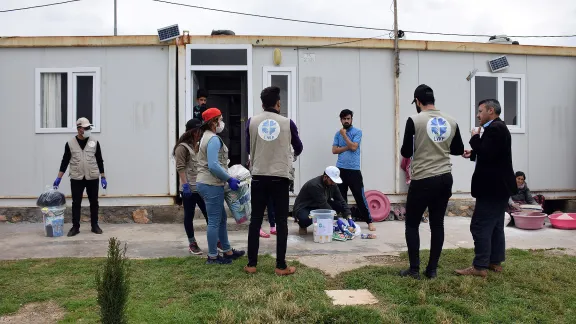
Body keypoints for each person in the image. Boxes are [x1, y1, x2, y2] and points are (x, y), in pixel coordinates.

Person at [398, 84, 464, 279]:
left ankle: (414, 269)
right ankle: (432, 270)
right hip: (445, 178)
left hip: (423, 179)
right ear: (433, 101)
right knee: (437, 224)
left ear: (418, 102)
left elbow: (406, 152)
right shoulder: (451, 121)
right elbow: (458, 149)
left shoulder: (414, 120)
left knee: (412, 224)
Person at [244, 86, 303, 276]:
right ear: (279, 103)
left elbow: (247, 147)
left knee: (255, 221)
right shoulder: (287, 123)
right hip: (280, 177)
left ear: (262, 104)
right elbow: (299, 147)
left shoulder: (251, 122)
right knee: (281, 222)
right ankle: (280, 265)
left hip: (259, 176)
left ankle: (252, 264)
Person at [456, 99, 517, 278]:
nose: (477, 115)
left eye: (480, 111)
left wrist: (475, 136)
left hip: (492, 189)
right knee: (496, 225)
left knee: (480, 225)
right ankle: (495, 261)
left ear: (491, 111)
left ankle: (479, 266)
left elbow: (487, 151)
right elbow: (492, 154)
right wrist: (473, 154)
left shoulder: (495, 128)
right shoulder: (499, 127)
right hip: (500, 188)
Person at [196, 108, 245, 265]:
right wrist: (229, 178)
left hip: (207, 183)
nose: (222, 122)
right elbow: (213, 165)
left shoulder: (206, 137)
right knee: (214, 220)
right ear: (213, 122)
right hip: (211, 184)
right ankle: (212, 256)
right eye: (220, 119)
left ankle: (227, 250)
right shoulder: (213, 139)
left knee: (221, 218)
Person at [53, 117, 106, 237]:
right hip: (77, 178)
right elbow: (65, 161)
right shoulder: (70, 144)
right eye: (86, 128)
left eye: (89, 128)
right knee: (76, 203)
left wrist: (103, 177)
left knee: (94, 202)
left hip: (92, 177)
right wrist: (59, 178)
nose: (88, 130)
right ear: (79, 129)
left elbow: (99, 160)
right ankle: (75, 227)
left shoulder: (94, 142)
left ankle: (95, 225)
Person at [332, 109, 376, 232]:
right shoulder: (337, 134)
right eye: (344, 119)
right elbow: (334, 150)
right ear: (341, 120)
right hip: (340, 169)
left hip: (354, 170)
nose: (346, 121)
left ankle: (369, 221)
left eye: (348, 118)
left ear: (351, 119)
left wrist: (344, 137)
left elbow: (354, 147)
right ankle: (345, 220)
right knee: (340, 197)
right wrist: (347, 146)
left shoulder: (357, 132)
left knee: (359, 197)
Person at [173, 118, 208, 254]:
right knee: (189, 216)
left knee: (208, 214)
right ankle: (192, 242)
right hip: (188, 189)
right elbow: (180, 167)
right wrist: (185, 185)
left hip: (200, 186)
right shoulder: (182, 147)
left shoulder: (198, 146)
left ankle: (217, 240)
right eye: (198, 131)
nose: (200, 133)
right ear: (192, 132)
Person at [293, 166, 352, 233]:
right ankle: (302, 225)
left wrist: (348, 216)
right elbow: (323, 204)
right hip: (305, 207)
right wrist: (336, 219)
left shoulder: (333, 185)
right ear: (325, 177)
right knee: (305, 219)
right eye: (332, 181)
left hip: (319, 206)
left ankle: (327, 223)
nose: (333, 183)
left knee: (339, 205)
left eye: (334, 181)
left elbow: (341, 200)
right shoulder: (315, 185)